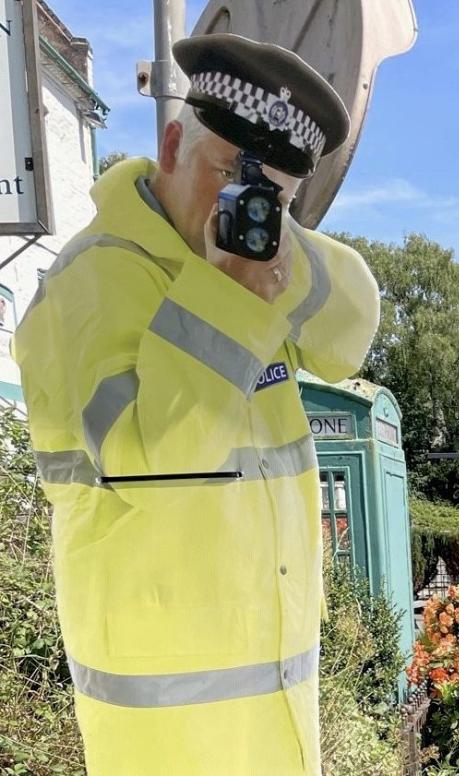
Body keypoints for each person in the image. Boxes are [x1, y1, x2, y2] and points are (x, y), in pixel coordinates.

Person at [12, 33, 379, 775]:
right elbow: (158, 464)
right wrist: (232, 296)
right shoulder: (93, 282)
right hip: (169, 744)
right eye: (229, 176)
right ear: (173, 141)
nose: (241, 207)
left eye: (271, 192)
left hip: (274, 727)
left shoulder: (247, 266)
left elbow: (352, 334)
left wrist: (272, 244)